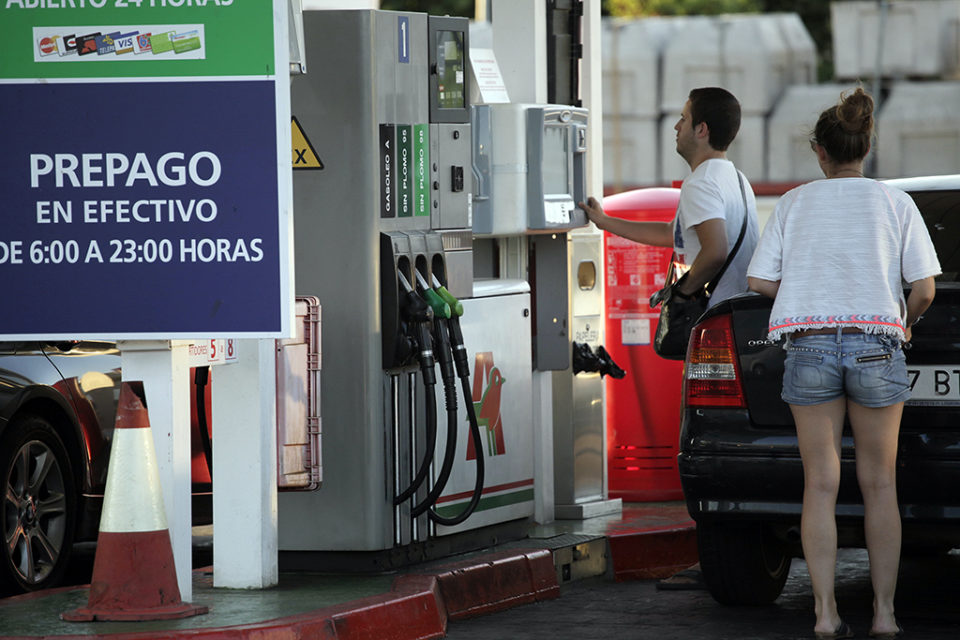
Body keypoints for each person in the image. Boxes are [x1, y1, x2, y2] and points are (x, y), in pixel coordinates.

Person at [746, 87, 939, 640]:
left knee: (821, 484)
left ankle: (826, 614)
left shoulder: (795, 202)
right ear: (866, 147)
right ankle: (884, 614)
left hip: (807, 347)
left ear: (819, 151)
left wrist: (804, 291)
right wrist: (904, 322)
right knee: (879, 484)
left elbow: (760, 280)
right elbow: (923, 288)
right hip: (877, 344)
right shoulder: (893, 203)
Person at [580, 86, 759, 307]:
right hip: (737, 311)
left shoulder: (702, 182)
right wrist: (605, 221)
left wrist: (681, 292)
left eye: (684, 119)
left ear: (701, 129)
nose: (677, 126)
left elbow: (715, 251)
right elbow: (672, 233)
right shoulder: (737, 179)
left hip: (712, 312)